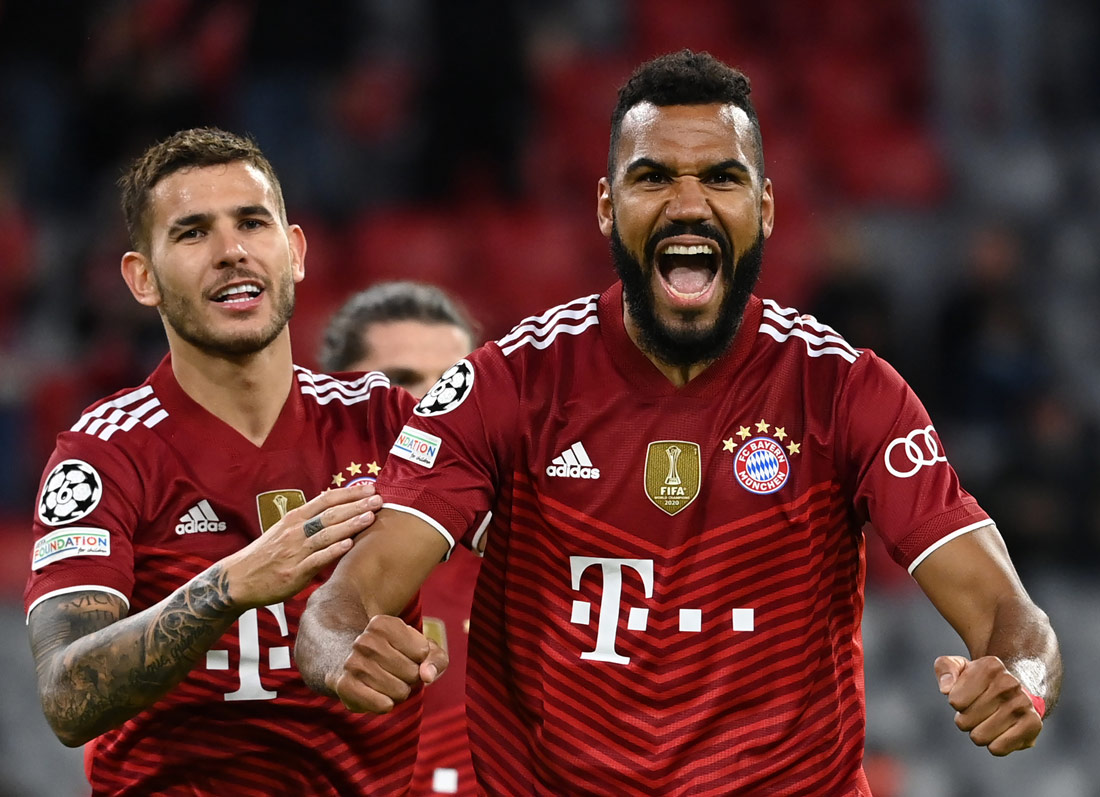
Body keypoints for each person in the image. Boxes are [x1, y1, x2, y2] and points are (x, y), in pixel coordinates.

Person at [296, 50, 1062, 795]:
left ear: (763, 208)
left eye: (722, 178)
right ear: (606, 205)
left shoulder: (847, 392)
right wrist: (343, 652)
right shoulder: (505, 387)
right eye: (653, 177)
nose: (688, 204)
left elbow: (1011, 617)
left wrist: (1020, 682)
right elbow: (342, 604)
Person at [24, 127, 435, 796]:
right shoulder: (103, 454)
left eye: (251, 222)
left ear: (295, 252)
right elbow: (67, 695)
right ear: (142, 278)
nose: (232, 251)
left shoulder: (384, 420)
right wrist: (228, 585)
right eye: (192, 233)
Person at [319, 280, 481, 797]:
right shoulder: (283, 564)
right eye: (405, 385)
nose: (440, 411)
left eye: (457, 385)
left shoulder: (529, 550)